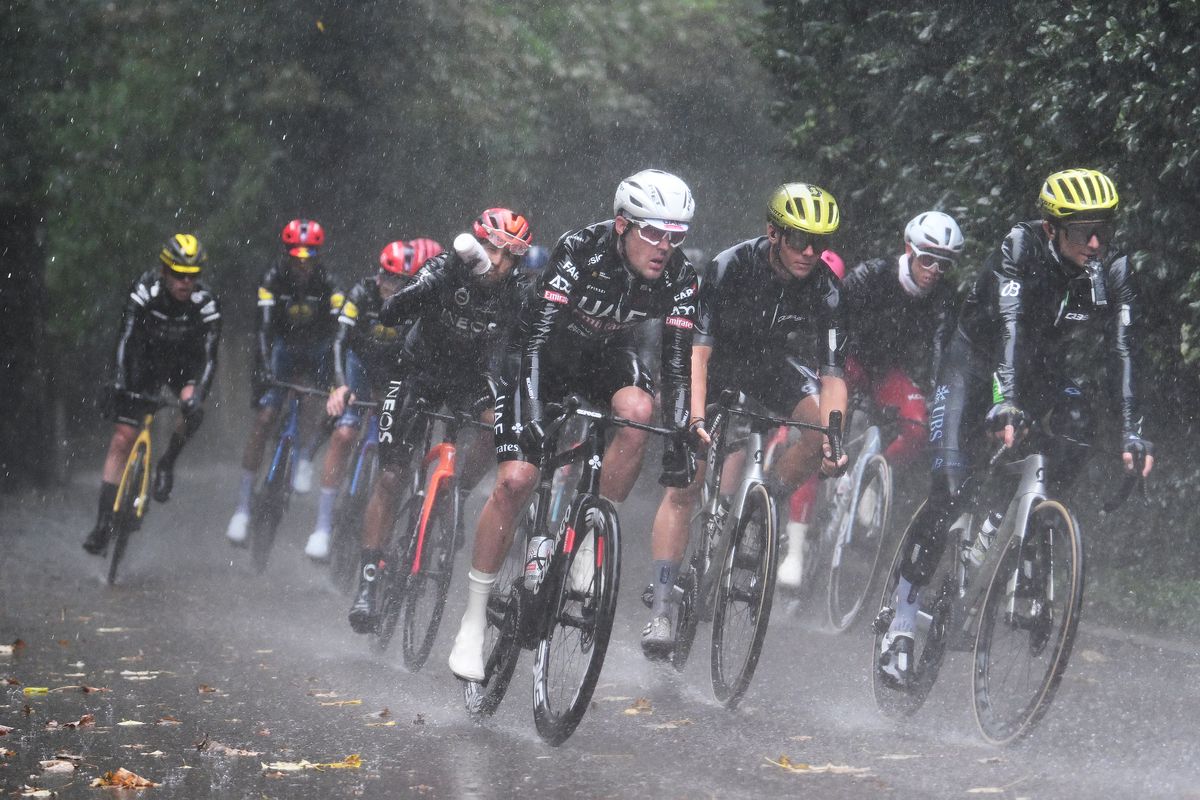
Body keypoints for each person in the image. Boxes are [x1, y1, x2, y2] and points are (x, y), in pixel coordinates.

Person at [879, 169, 1155, 685]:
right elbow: (1008, 330)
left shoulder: (1112, 267)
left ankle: (1027, 527)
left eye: (1104, 230)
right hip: (977, 363)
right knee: (950, 487)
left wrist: (1133, 433)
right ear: (1052, 229)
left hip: (1041, 370)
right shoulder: (1019, 246)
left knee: (1077, 425)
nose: (1095, 243)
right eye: (1081, 232)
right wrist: (1004, 402)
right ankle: (901, 622)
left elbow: (1125, 350)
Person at [445, 169, 701, 681]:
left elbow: (675, 364)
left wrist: (681, 434)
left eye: (675, 235)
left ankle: (588, 539)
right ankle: (472, 621)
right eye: (653, 232)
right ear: (623, 225)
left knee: (640, 412)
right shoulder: (579, 248)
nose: (664, 247)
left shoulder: (680, 278)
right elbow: (537, 337)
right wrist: (535, 410)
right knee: (517, 481)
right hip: (543, 354)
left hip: (606, 358)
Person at [643, 182, 849, 656]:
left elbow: (833, 374)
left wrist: (834, 439)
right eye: (799, 239)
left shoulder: (827, 288)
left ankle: (769, 499)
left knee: (820, 432)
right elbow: (697, 353)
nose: (809, 252)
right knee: (686, 484)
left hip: (772, 366)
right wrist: (695, 418)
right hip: (716, 363)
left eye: (820, 242)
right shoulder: (731, 264)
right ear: (773, 234)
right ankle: (661, 608)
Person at [347, 211, 532, 633]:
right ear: (477, 243)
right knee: (392, 475)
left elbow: (529, 341)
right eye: (493, 249)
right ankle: (368, 580)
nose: (499, 263)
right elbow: (391, 314)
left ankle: (459, 494)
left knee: (498, 420)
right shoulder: (446, 268)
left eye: (511, 255)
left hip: (470, 381)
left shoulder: (516, 290)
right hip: (417, 372)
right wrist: (436, 279)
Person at [776, 213, 962, 588]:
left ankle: (873, 482)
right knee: (823, 436)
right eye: (927, 259)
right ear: (909, 250)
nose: (935, 270)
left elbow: (943, 349)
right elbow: (832, 323)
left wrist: (935, 387)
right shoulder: (871, 276)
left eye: (945, 263)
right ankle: (794, 550)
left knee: (916, 425)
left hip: (888, 370)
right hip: (848, 362)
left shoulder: (944, 297)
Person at [302, 238, 444, 560]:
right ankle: (322, 528)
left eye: (398, 280)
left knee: (392, 449)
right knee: (345, 431)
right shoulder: (361, 292)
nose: (387, 284)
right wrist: (339, 387)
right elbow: (340, 340)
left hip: (393, 372)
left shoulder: (418, 305)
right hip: (359, 365)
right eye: (386, 275)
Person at [83, 234, 221, 554]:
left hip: (184, 365)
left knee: (191, 407)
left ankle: (167, 463)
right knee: (122, 437)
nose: (185, 283)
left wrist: (196, 394)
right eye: (178, 274)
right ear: (163, 271)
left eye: (193, 276)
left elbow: (210, 356)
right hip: (144, 361)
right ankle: (103, 523)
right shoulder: (145, 289)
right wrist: (119, 379)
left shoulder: (208, 303)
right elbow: (126, 336)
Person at [226, 218, 343, 545]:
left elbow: (337, 330)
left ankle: (304, 456)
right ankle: (243, 508)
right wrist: (264, 370)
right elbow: (263, 330)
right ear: (287, 256)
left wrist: (332, 377)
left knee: (312, 400)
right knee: (264, 419)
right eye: (296, 258)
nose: (303, 266)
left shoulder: (329, 282)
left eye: (309, 259)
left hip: (316, 347)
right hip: (280, 347)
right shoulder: (272, 279)